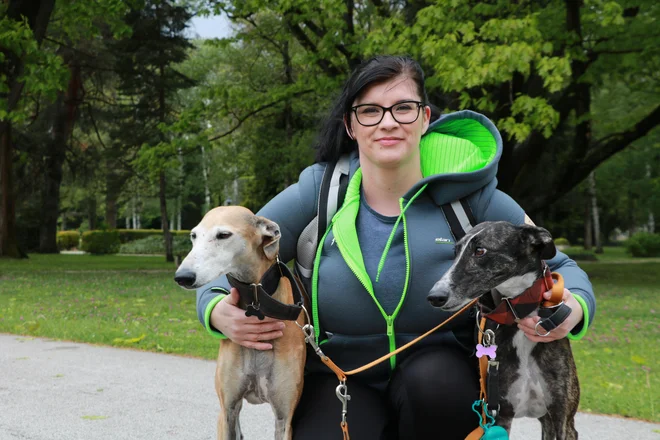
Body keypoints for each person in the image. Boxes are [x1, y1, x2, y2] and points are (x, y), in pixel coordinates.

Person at [196, 55, 595, 440]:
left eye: (403, 108)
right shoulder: (318, 190)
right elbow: (230, 247)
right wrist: (217, 311)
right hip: (338, 376)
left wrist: (572, 307)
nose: (387, 122)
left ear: (423, 118)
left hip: (441, 377)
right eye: (370, 110)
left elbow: (562, 267)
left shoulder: (471, 194)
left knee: (435, 386)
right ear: (351, 125)